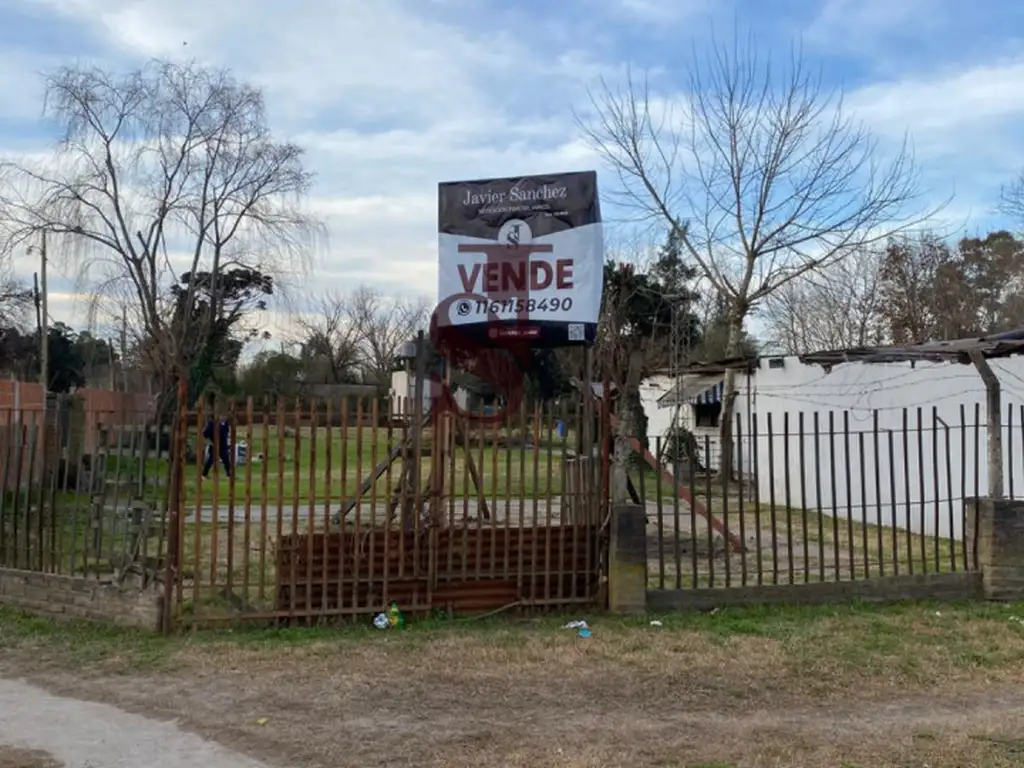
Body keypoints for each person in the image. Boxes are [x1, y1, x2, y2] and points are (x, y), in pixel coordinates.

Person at [202, 411, 232, 478]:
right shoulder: (212, 423)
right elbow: (205, 434)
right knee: (211, 460)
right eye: (222, 416)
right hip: (214, 445)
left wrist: (228, 441)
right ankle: (204, 475)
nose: (224, 417)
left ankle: (229, 475)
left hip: (223, 445)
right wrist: (210, 442)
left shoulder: (226, 423)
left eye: (225, 416)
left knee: (226, 459)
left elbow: (226, 433)